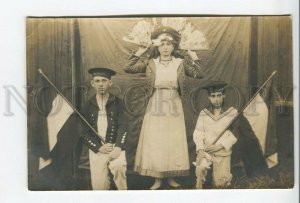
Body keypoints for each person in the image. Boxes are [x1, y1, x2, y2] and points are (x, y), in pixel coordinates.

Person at [124, 26, 206, 189]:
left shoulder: (180, 63)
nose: (166, 47)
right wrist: (140, 51)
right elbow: (128, 68)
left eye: (169, 44)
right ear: (157, 46)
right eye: (162, 44)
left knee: (173, 141)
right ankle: (158, 179)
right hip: (156, 104)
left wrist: (193, 56)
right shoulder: (151, 63)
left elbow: (200, 74)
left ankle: (171, 177)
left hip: (174, 103)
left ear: (174, 46)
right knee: (157, 141)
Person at [77, 67, 128, 190]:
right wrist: (98, 147)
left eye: (104, 80)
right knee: (99, 187)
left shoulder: (118, 102)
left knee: (119, 166)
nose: (101, 84)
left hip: (115, 147)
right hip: (98, 149)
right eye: (97, 81)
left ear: (110, 83)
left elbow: (124, 126)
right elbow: (83, 132)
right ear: (92, 83)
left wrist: (118, 147)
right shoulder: (88, 105)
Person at [193, 81, 238, 188]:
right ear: (209, 98)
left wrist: (219, 146)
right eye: (213, 96)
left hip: (222, 151)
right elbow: (198, 133)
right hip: (207, 150)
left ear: (224, 95)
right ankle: (199, 186)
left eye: (219, 95)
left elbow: (235, 134)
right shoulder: (204, 113)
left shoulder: (232, 112)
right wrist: (200, 150)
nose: (216, 99)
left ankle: (223, 178)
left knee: (221, 184)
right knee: (200, 168)